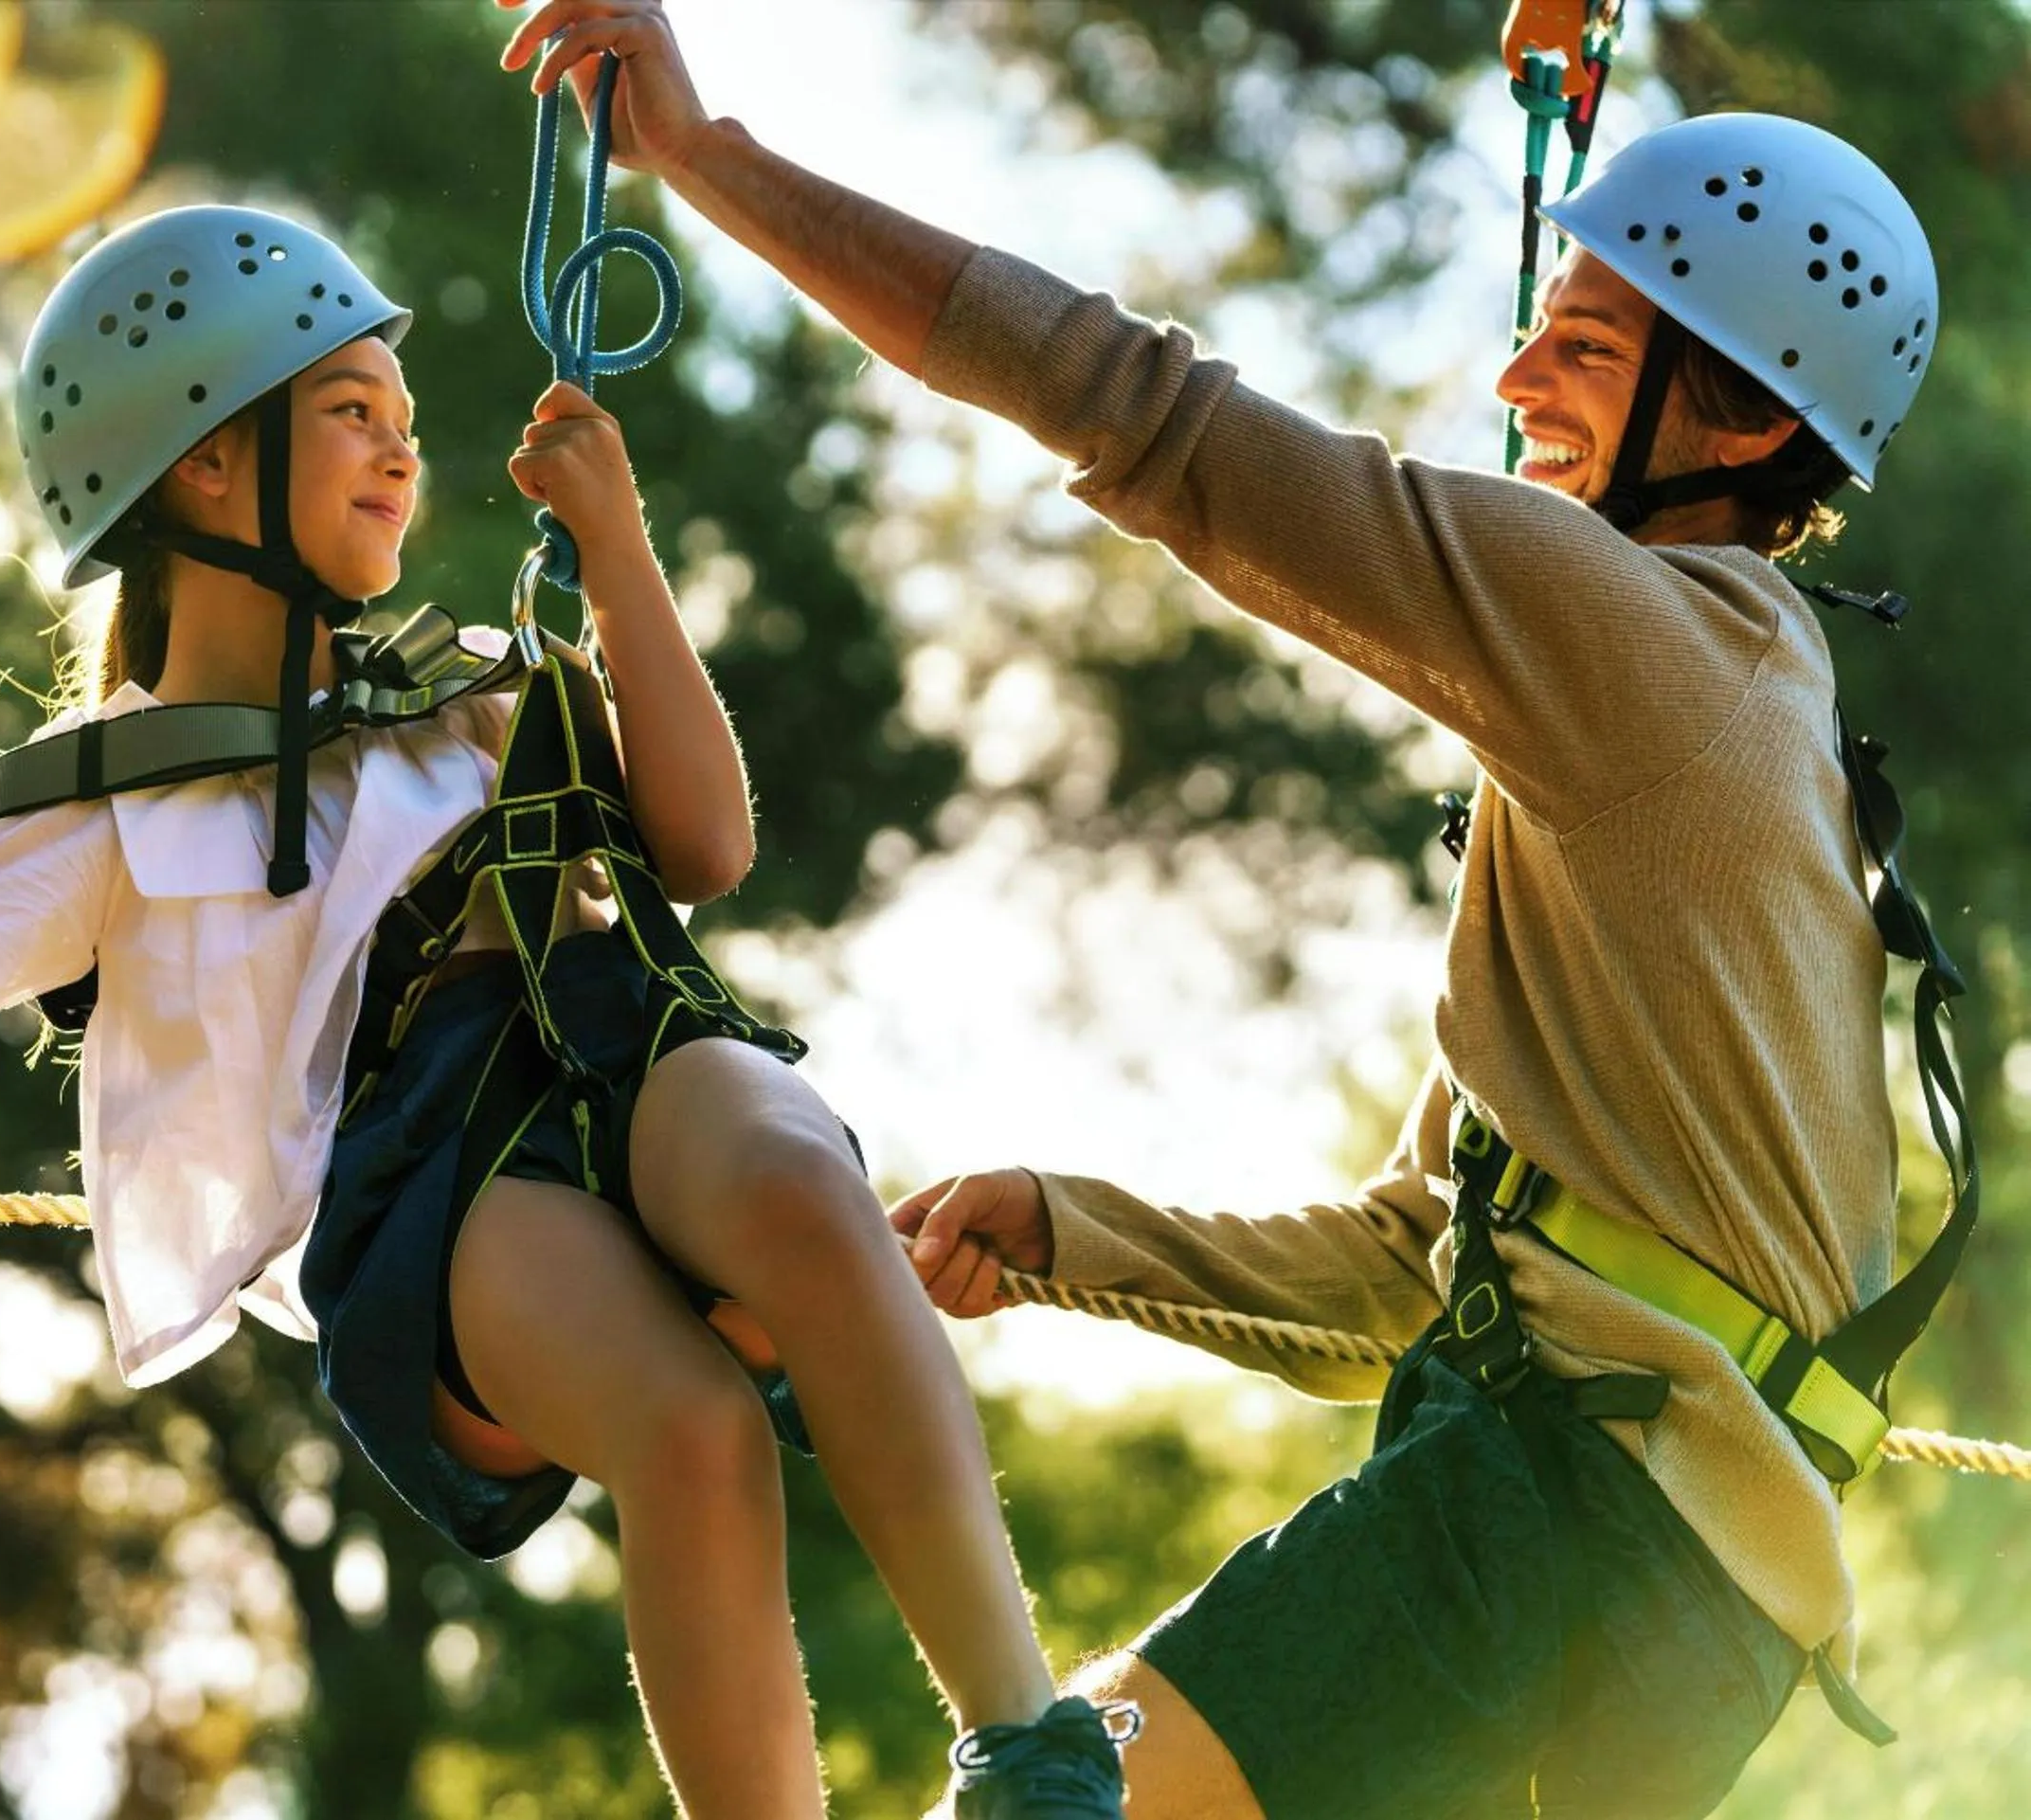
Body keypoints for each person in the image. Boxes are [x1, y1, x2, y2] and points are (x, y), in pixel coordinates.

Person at [0, 203, 1131, 1817]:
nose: (404, 459)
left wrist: (620, 549)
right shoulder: (98, 805)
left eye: (407, 427)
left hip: (614, 1038)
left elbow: (703, 849)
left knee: (808, 1196)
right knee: (689, 1431)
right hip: (433, 1187)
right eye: (353, 415)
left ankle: (1027, 1751)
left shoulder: (473, 689)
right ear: (200, 469)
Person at [494, 2, 1952, 1814]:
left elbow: (1142, 412)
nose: (1511, 387)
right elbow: (1393, 1283)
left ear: (1729, 413)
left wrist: (707, 161)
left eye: (1577, 346)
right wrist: (1070, 1233)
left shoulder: (1650, 649)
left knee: (1045, 1798)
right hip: (1665, 1579)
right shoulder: (1703, 727)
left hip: (1574, 1504)